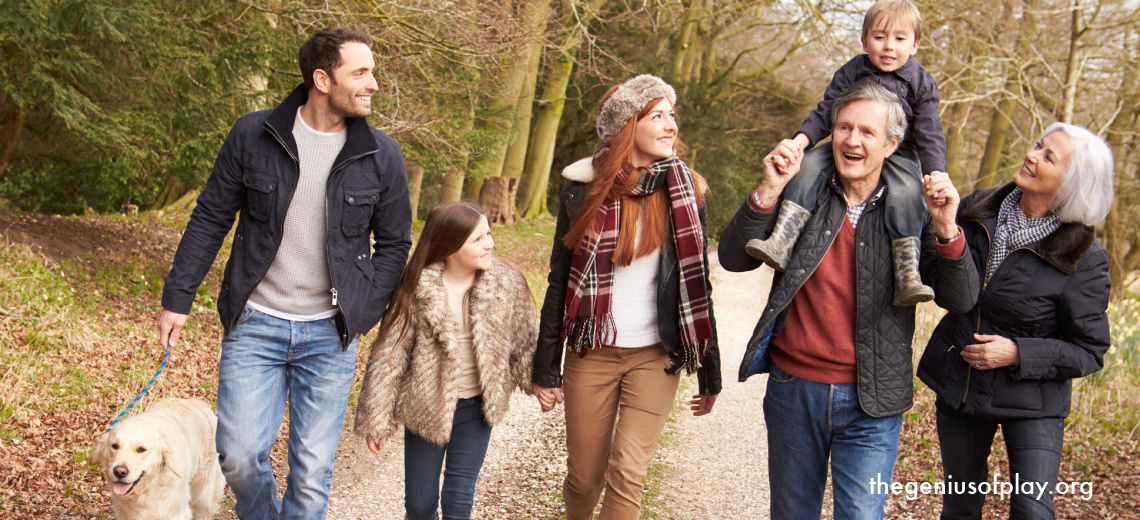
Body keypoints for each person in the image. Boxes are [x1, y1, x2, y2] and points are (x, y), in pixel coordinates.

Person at [156, 28, 412, 520]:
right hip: (256, 323)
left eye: (372, 72)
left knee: (313, 471)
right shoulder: (253, 135)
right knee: (237, 456)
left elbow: (395, 242)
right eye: (360, 72)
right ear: (322, 79)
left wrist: (362, 309)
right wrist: (178, 297)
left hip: (331, 331)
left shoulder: (382, 156)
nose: (373, 84)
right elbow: (210, 216)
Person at [718, 79, 979, 520]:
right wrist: (767, 191)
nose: (852, 140)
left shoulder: (913, 210)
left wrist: (948, 229)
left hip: (873, 401)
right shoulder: (805, 191)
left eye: (867, 132)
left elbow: (962, 298)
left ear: (893, 143)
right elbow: (732, 260)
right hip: (793, 388)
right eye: (843, 127)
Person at [531, 74, 721, 520]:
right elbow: (560, 281)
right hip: (591, 353)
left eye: (672, 115)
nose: (670, 124)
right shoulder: (582, 189)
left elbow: (698, 284)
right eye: (657, 115)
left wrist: (709, 371)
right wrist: (546, 369)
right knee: (583, 479)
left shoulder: (687, 190)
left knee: (627, 475)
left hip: (655, 356)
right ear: (627, 125)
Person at [917, 123, 1113, 519]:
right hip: (962, 384)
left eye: (1048, 156)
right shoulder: (975, 209)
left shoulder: (1084, 255)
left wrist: (1017, 353)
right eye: (1038, 144)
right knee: (959, 507)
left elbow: (1090, 350)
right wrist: (940, 228)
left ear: (1071, 183)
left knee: (1032, 511)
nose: (1032, 154)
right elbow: (938, 280)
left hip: (1033, 401)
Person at [744, 0, 945, 307]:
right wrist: (801, 141)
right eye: (879, 37)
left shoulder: (922, 83)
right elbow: (826, 111)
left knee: (909, 191)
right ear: (865, 40)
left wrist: (935, 171)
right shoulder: (853, 70)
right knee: (808, 165)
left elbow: (929, 132)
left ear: (915, 45)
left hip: (899, 151)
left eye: (899, 39)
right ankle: (783, 239)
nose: (889, 46)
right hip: (844, 142)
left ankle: (907, 273)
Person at [354, 202, 537, 520]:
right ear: (450, 247)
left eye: (489, 234)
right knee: (420, 504)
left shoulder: (505, 284)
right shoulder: (416, 289)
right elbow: (389, 357)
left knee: (458, 498)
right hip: (427, 406)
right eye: (477, 239)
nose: (489, 244)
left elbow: (524, 341)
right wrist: (377, 420)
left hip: (476, 407)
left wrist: (540, 381)